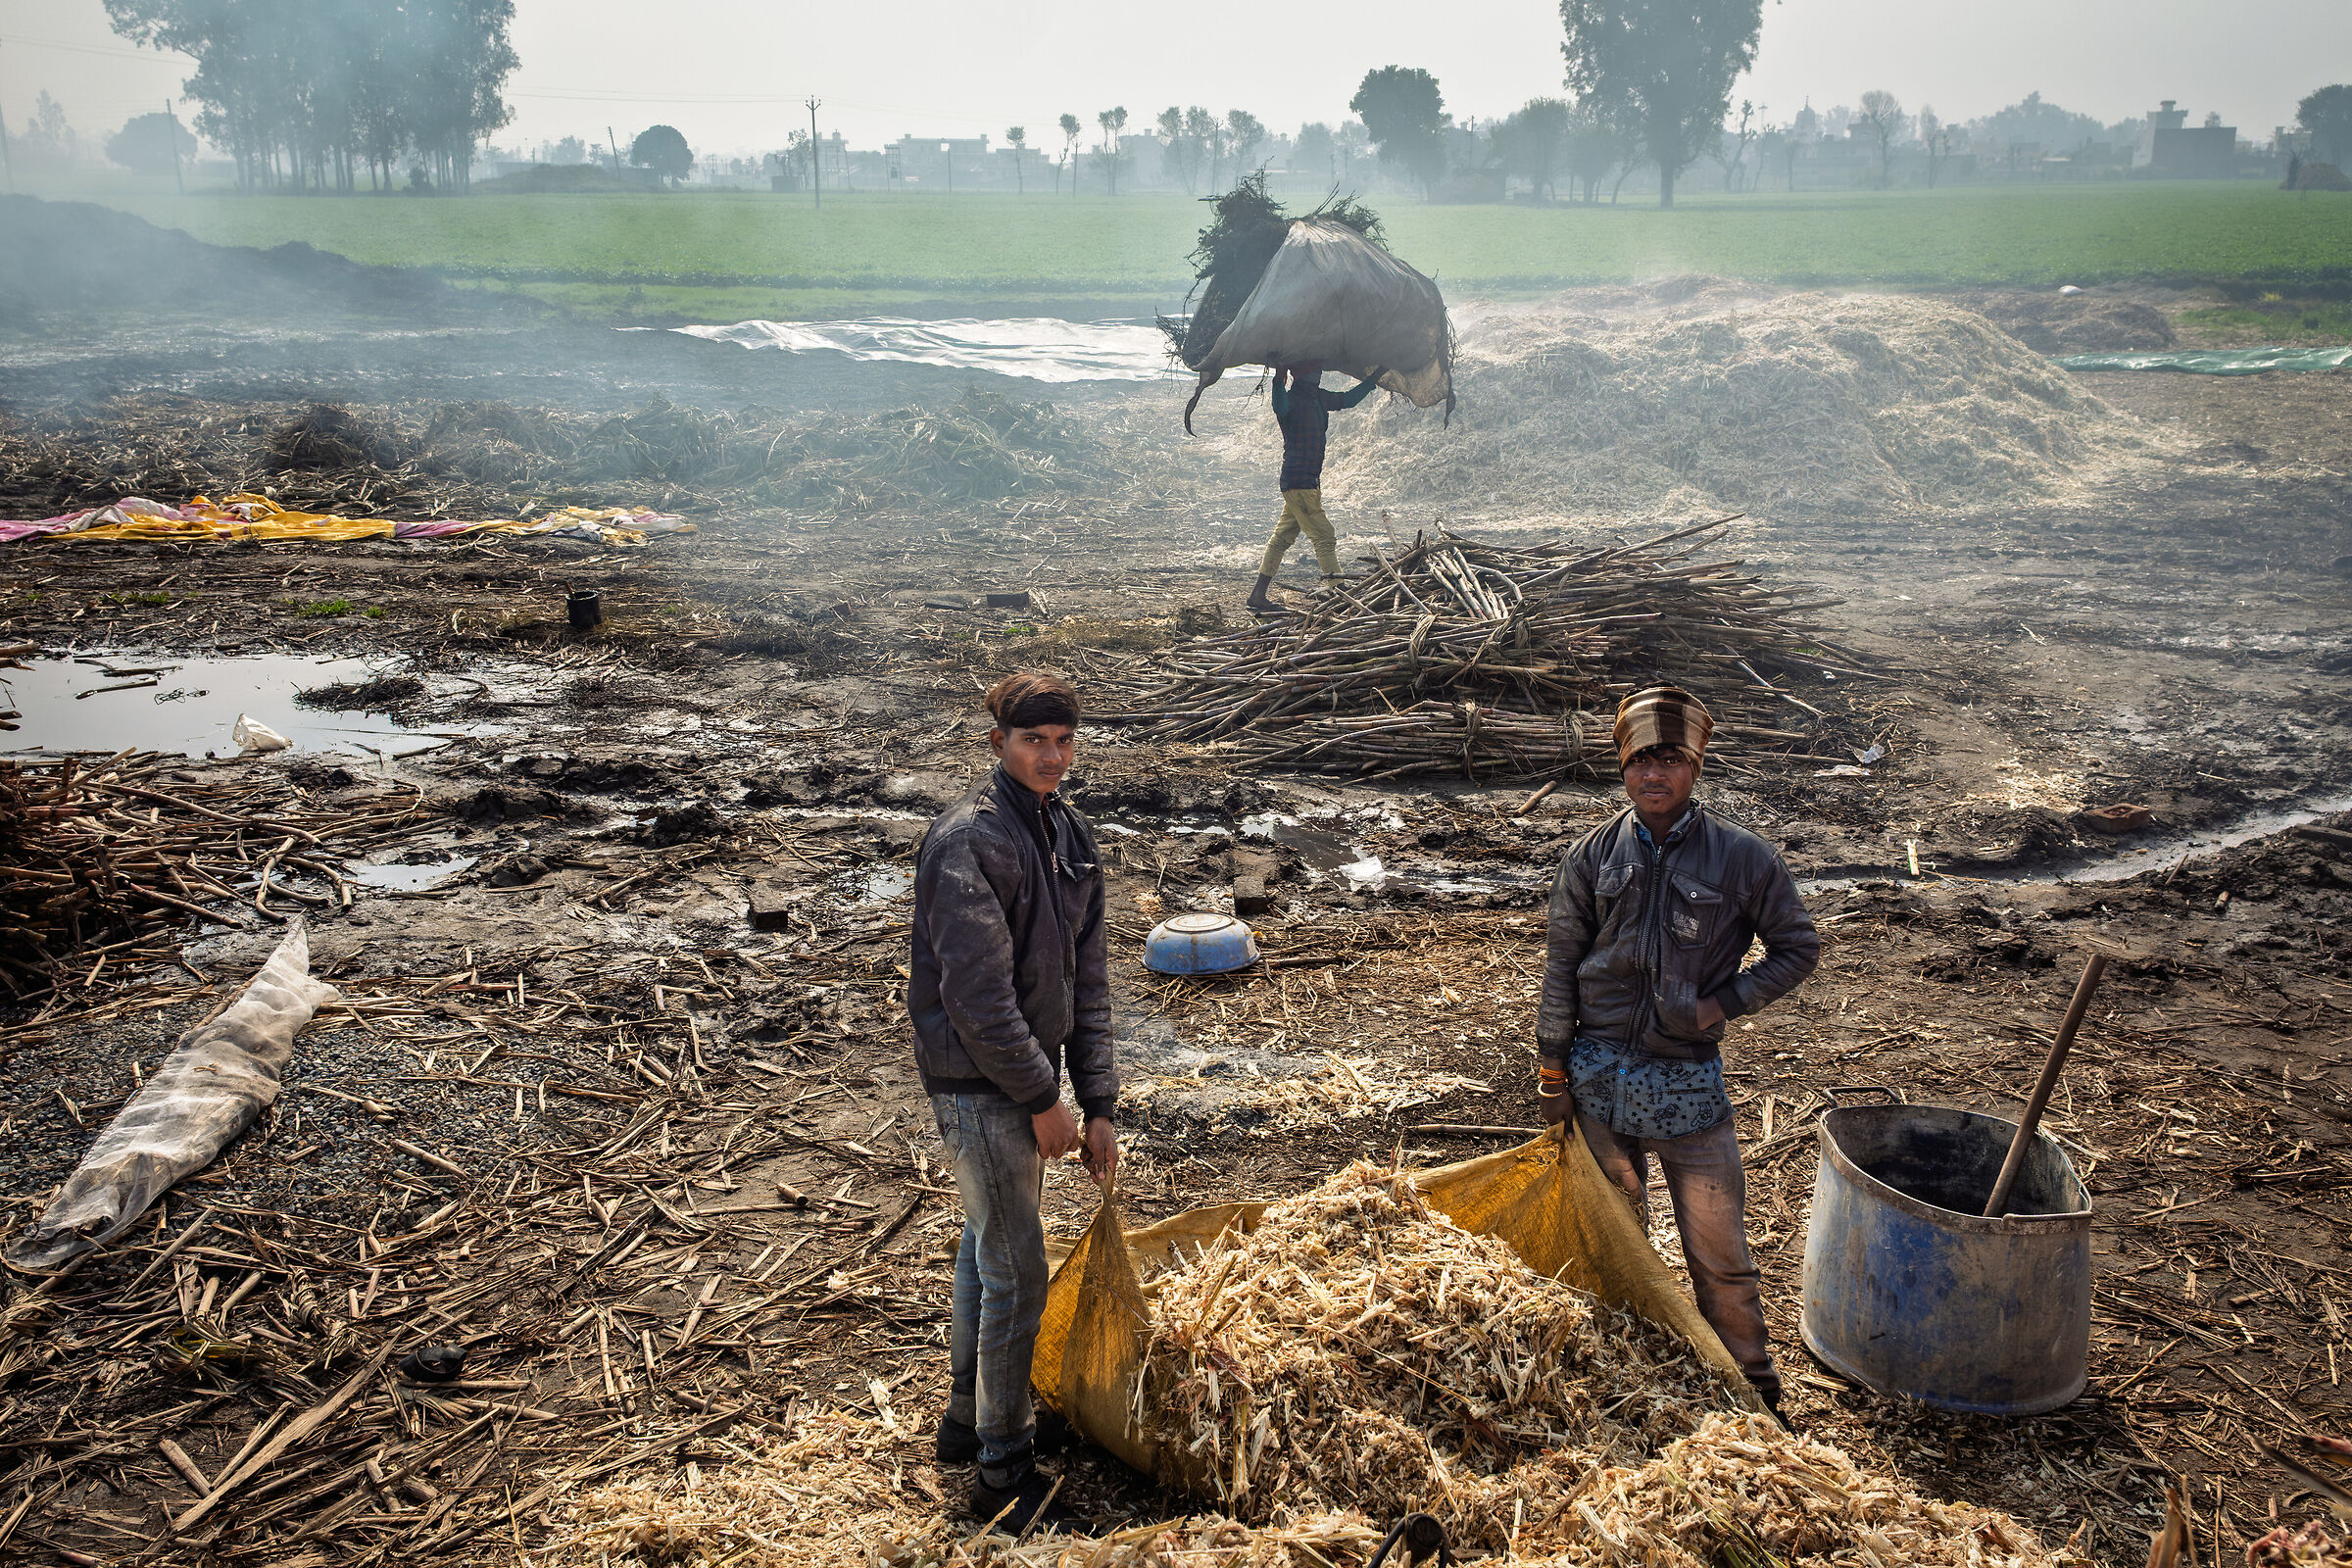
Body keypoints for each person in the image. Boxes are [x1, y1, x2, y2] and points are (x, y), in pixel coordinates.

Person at [1533, 686, 1819, 1421]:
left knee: (1721, 1258)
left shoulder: (1743, 858)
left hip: (1688, 1086)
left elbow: (1797, 947)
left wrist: (1719, 1005)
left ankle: (1754, 1396)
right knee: (1613, 1246)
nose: (1652, 775)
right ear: (1622, 767)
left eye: (1669, 760)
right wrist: (1552, 1074)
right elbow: (1562, 966)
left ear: (1695, 766)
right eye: (1639, 761)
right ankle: (1631, 1388)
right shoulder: (1592, 854)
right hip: (1597, 1082)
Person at [906, 670, 1116, 1533]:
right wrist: (1041, 1097)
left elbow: (1089, 981)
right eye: (1034, 742)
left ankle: (969, 1421)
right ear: (999, 745)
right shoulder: (971, 840)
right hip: (978, 1081)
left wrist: (1097, 1101)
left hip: (1022, 1077)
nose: (1052, 758)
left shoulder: (1067, 832)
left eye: (1064, 742)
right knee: (1017, 1270)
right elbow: (978, 998)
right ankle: (1002, 1468)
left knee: (986, 1244)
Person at [1246, 361, 1384, 612]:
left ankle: (1257, 595)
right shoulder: (1289, 400)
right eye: (1313, 369)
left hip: (1306, 483)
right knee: (1324, 536)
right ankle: (1340, 594)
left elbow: (1348, 399)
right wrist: (1278, 377)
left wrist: (1373, 380)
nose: (1318, 373)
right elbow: (1278, 405)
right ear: (1300, 374)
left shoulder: (1318, 397)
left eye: (1318, 369)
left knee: (1282, 538)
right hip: (1299, 482)